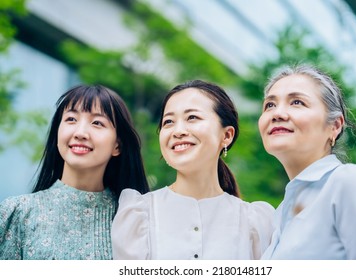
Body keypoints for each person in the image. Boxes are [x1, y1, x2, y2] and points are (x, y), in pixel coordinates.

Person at [111, 79, 274, 260]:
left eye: (192, 117)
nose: (178, 131)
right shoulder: (138, 214)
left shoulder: (256, 223)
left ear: (227, 135)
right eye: (168, 122)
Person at [0, 84, 149, 259]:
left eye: (97, 123)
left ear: (117, 145)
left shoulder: (136, 220)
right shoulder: (18, 212)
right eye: (71, 119)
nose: (80, 133)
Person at [258, 64, 356, 259]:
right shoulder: (280, 214)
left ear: (335, 126)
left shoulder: (348, 182)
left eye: (297, 102)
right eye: (270, 105)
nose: (277, 113)